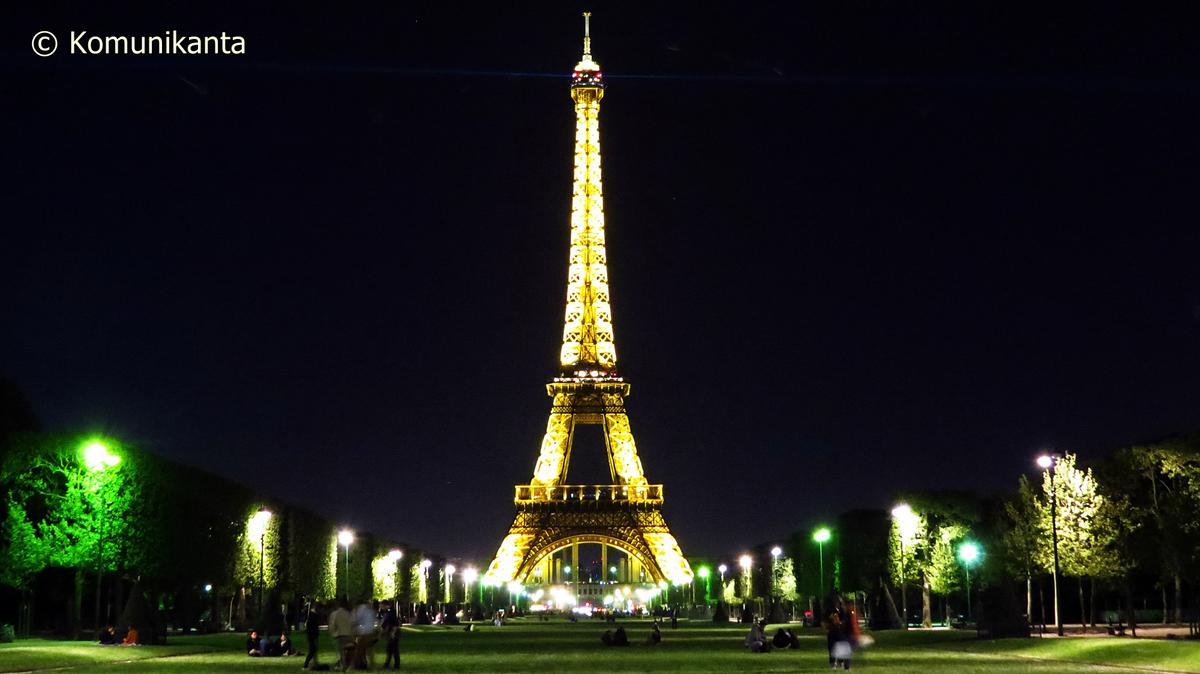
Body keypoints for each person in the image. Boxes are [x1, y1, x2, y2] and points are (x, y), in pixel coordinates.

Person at [352, 600, 379, 670]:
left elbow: (357, 620)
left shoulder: (363, 609)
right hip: (368, 632)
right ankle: (369, 665)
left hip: (364, 633)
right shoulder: (370, 611)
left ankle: (358, 665)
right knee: (369, 651)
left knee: (360, 650)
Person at [328, 600, 354, 671]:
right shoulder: (348, 613)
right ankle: (348, 665)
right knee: (349, 650)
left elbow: (333, 625)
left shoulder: (335, 614)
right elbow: (352, 624)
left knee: (341, 652)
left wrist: (333, 633)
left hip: (341, 635)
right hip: (349, 634)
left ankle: (343, 665)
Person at [304, 603, 323, 670]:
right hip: (313, 636)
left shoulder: (311, 615)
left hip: (311, 636)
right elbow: (313, 628)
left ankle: (314, 663)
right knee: (312, 650)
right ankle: (306, 664)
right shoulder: (313, 615)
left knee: (313, 650)